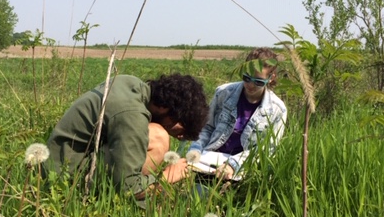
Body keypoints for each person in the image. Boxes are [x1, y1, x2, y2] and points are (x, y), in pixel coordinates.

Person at [45, 73, 208, 205]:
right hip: (65, 178)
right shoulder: (132, 115)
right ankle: (123, 202)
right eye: (181, 128)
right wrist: (166, 177)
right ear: (164, 108)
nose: (180, 136)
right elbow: (127, 187)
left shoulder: (131, 84)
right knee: (159, 137)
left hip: (59, 162)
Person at [187, 47, 287, 181]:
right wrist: (195, 151)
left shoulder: (277, 109)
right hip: (209, 161)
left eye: (258, 81)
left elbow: (266, 149)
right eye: (246, 78)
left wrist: (233, 165)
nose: (250, 85)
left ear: (271, 78)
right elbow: (207, 127)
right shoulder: (223, 93)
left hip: (245, 168)